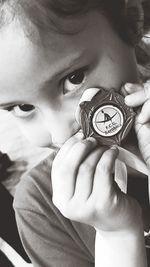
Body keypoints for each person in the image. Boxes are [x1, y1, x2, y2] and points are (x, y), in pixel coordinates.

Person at [0, 0, 149, 266]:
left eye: (75, 78)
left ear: (130, 19)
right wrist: (117, 239)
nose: (59, 134)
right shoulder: (41, 207)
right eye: (22, 107)